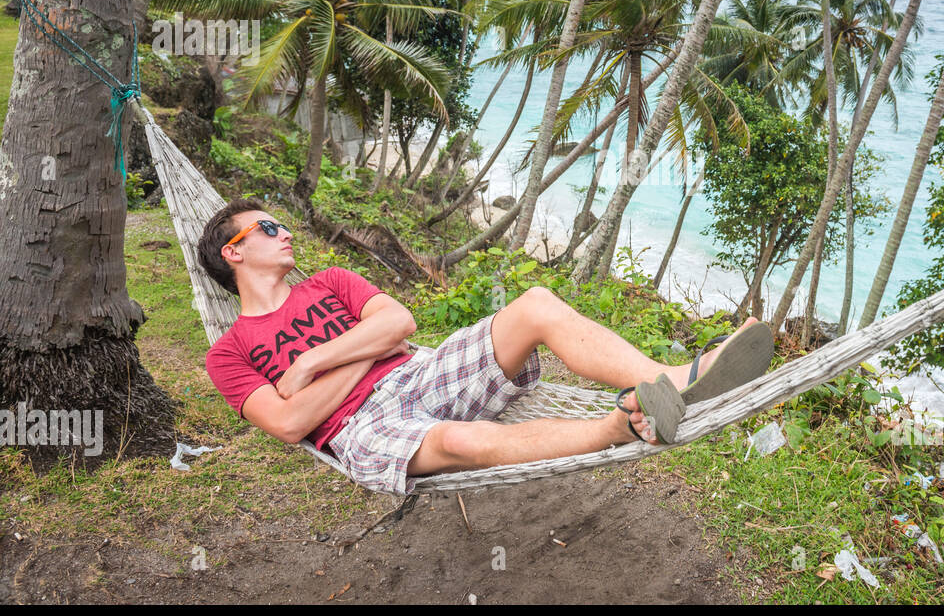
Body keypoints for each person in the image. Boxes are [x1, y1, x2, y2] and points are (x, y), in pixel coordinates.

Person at [197, 197, 765, 495]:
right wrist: (369, 347)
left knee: (536, 303)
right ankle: (616, 428)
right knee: (458, 439)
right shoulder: (227, 352)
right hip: (359, 429)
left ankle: (670, 377)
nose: (286, 231)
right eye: (268, 228)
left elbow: (399, 322)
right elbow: (292, 423)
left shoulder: (331, 282)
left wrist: (314, 363)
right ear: (235, 253)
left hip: (418, 373)